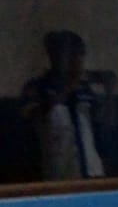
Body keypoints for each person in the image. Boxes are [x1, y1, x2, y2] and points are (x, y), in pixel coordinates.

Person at [20, 30, 107, 180]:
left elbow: (104, 124)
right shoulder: (38, 87)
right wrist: (63, 92)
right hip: (58, 174)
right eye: (69, 55)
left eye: (79, 54)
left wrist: (107, 94)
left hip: (92, 171)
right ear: (53, 57)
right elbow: (29, 119)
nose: (76, 60)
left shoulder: (87, 87)